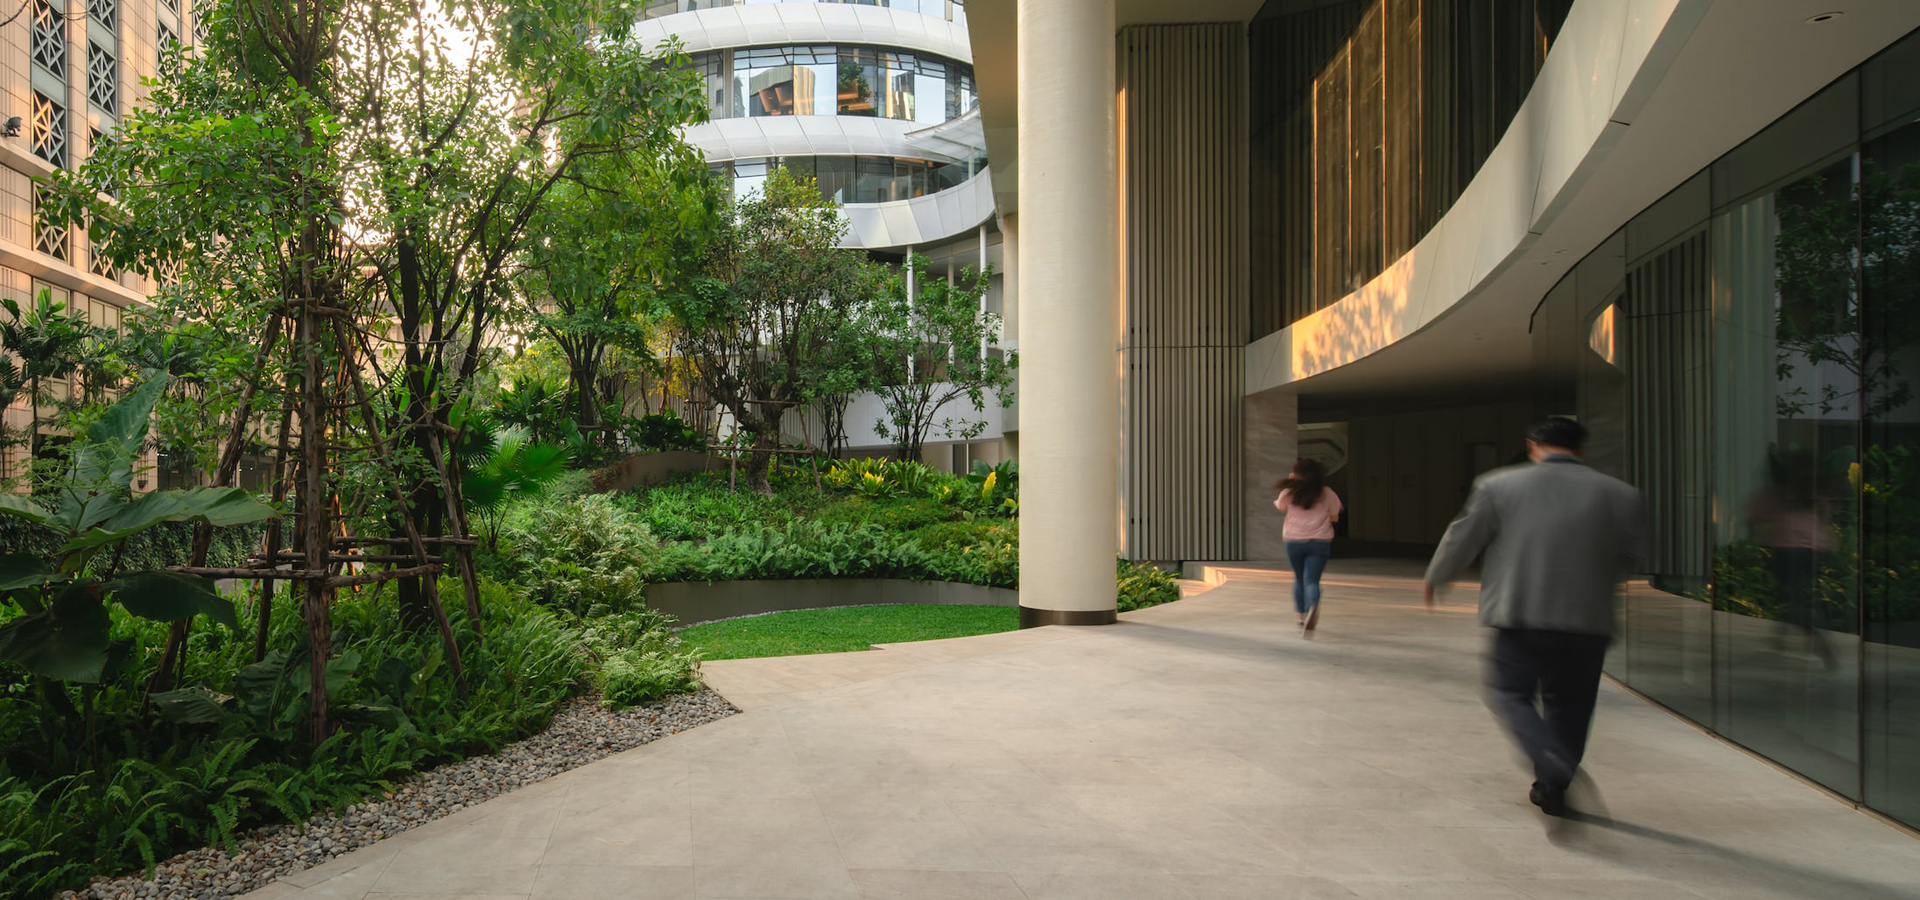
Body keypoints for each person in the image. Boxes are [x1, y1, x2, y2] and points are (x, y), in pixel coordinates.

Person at [1423, 417, 1641, 817]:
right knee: (1572, 705)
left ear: (1532, 446)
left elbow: (1464, 536)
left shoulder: (1498, 484)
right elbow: (1630, 556)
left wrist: (1438, 575)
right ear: (1581, 449)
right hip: (1588, 620)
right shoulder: (1622, 494)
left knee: (1508, 693)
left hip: (1520, 613)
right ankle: (1553, 784)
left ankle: (1548, 756)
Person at [1274, 458, 1342, 632]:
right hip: (1319, 541)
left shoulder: (1290, 492)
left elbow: (1281, 506)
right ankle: (1313, 604)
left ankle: (1301, 616)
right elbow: (1335, 516)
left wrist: (1292, 482)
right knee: (1311, 580)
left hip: (1293, 541)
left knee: (1299, 578)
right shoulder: (1327, 493)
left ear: (1296, 474)